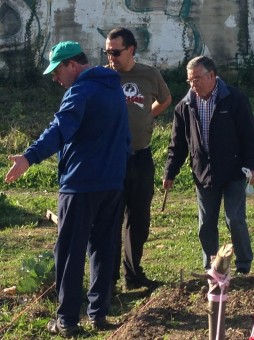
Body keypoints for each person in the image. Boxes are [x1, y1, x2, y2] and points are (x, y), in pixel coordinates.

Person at [5, 41, 130, 337]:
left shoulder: (80, 91)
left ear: (72, 64)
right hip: (112, 182)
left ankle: (67, 319)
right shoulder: (114, 88)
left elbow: (60, 129)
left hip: (81, 184)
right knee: (103, 247)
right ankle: (98, 313)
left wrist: (28, 157)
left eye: (56, 71)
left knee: (70, 251)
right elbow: (125, 135)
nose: (54, 78)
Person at [162, 56, 254, 275]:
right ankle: (212, 267)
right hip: (203, 174)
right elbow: (177, 144)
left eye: (197, 78)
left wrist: (253, 165)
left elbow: (250, 137)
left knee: (234, 219)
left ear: (212, 76)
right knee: (206, 224)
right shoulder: (185, 106)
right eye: (190, 80)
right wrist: (170, 171)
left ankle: (244, 265)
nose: (193, 84)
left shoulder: (235, 100)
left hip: (234, 171)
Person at [104, 27, 172, 290]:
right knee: (111, 218)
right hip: (112, 159)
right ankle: (108, 279)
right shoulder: (104, 77)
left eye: (116, 51)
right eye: (108, 51)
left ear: (131, 49)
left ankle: (133, 275)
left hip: (141, 156)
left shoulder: (149, 75)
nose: (111, 57)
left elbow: (165, 100)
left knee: (139, 218)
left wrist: (147, 116)